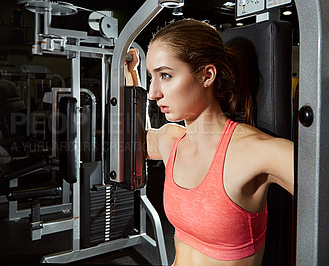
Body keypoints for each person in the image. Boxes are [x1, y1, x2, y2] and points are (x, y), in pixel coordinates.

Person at [125, 19, 293, 265]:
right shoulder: (172, 141)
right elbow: (136, 138)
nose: (153, 93)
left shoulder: (255, 151)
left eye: (166, 75)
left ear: (207, 75)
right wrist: (130, 75)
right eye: (152, 77)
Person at [0, 70, 26, 136]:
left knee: (11, 128)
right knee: (20, 127)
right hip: (21, 105)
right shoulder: (11, 83)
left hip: (10, 108)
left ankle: (11, 140)